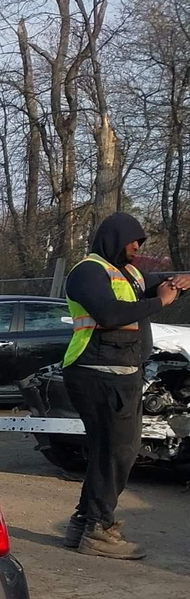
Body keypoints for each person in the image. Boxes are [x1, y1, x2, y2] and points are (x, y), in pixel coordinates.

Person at [60, 212, 184, 558]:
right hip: (98, 372)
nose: (136, 248)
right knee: (118, 452)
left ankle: (84, 524)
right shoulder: (87, 271)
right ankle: (99, 531)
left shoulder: (126, 273)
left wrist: (177, 282)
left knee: (108, 452)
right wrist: (161, 301)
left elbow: (153, 279)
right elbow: (110, 314)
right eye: (133, 241)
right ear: (115, 239)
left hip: (119, 373)